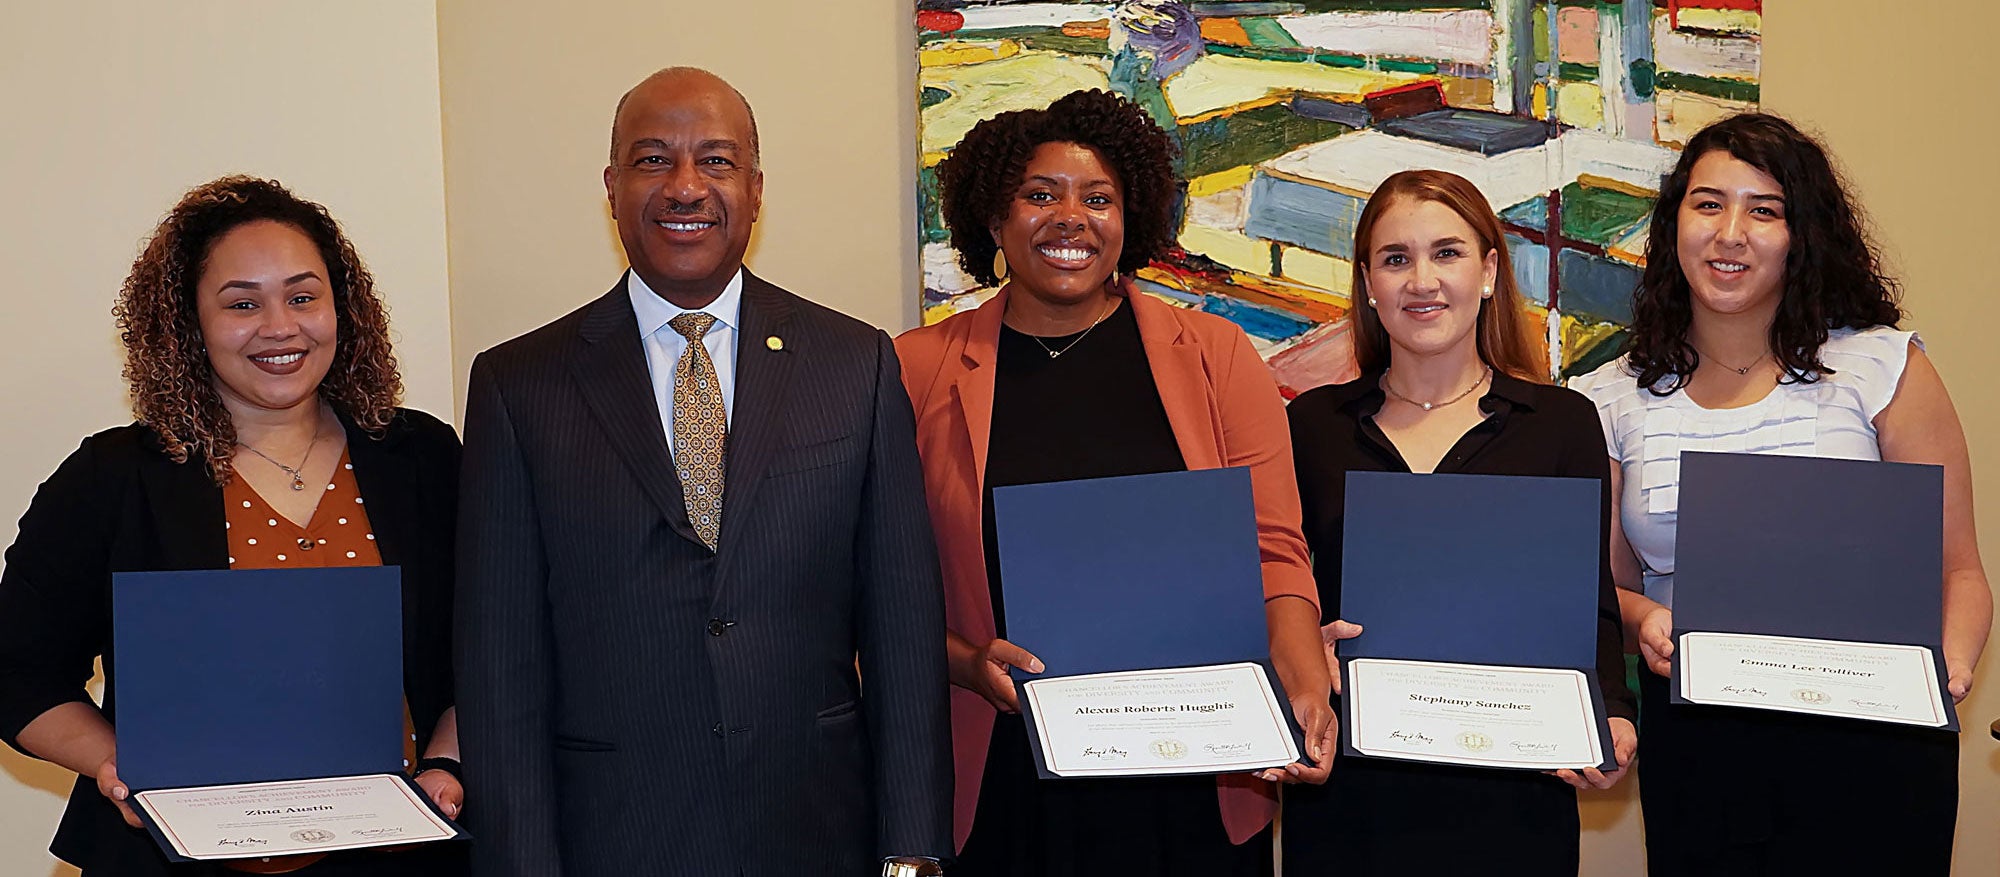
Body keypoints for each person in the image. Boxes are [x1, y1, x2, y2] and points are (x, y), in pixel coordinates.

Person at [454, 67, 952, 877]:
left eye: (716, 162)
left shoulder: (854, 364)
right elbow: (499, 664)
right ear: (611, 188)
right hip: (612, 837)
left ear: (756, 190)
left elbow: (901, 633)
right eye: (654, 161)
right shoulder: (520, 385)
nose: (686, 187)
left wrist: (914, 851)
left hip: (816, 829)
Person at [894, 88, 1333, 876]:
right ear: (994, 220)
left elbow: (1273, 550)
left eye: (1099, 198)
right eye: (1040, 195)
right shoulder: (915, 369)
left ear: (1131, 221)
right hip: (1004, 774)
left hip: (1192, 772)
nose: (1072, 218)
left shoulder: (1217, 354)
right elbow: (883, 588)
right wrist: (965, 662)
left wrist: (1305, 687)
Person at [0, 176, 467, 876]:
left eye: (303, 296)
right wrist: (119, 767)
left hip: (400, 853)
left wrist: (445, 762)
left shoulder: (424, 458)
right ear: (189, 322)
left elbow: (496, 645)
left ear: (344, 309)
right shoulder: (115, 477)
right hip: (169, 857)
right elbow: (17, 672)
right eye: (242, 303)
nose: (280, 326)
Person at [1570, 112, 1990, 875]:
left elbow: (1958, 569)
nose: (1731, 232)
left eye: (1764, 210)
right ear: (1673, 225)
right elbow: (1611, 593)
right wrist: (1647, 619)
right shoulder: (1610, 396)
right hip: (1703, 745)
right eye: (1708, 204)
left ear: (1803, 232)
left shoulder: (1880, 365)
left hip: (1874, 740)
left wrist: (1950, 672)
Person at [1282, 170, 1638, 875]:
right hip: (1354, 792)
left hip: (1511, 792)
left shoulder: (1561, 423)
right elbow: (1277, 581)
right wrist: (1300, 645)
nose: (1422, 280)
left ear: (1488, 271)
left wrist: (1615, 713)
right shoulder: (1311, 427)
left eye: (1446, 253)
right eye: (1395, 259)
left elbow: (1590, 603)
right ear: (1368, 283)